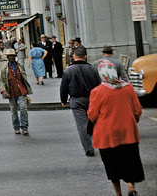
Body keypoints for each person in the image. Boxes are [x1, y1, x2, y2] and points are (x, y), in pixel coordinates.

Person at [88, 60, 144, 196]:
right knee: (129, 161)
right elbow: (137, 109)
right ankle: (131, 187)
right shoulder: (128, 88)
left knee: (112, 165)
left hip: (107, 135)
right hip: (127, 132)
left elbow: (92, 114)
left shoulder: (97, 91)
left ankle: (118, 193)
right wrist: (132, 122)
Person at [60, 48, 101, 156]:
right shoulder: (91, 69)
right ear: (85, 57)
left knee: (82, 125)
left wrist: (63, 100)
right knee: (95, 122)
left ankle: (89, 149)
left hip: (76, 100)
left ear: (74, 56)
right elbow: (99, 84)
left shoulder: (69, 70)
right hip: (92, 99)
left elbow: (63, 87)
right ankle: (100, 143)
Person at [0, 49, 33, 135]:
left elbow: (24, 78)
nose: (11, 58)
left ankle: (24, 127)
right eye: (9, 56)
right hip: (11, 92)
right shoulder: (4, 69)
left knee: (23, 109)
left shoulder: (20, 66)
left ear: (15, 56)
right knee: (13, 111)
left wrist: (27, 89)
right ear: (7, 57)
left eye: (12, 56)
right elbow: (1, 81)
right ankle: (16, 127)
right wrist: (4, 91)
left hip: (21, 90)